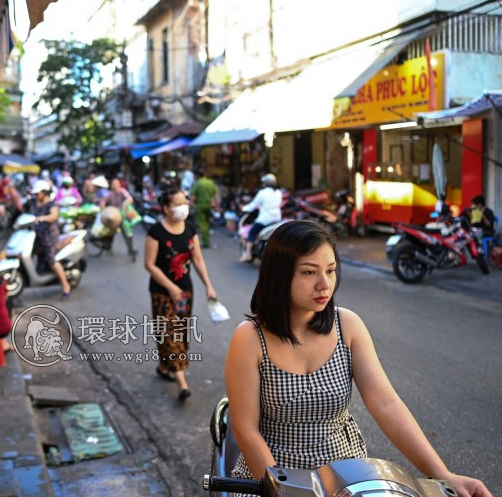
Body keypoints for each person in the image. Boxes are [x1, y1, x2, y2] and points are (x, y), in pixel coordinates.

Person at [223, 220, 490, 496]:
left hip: (346, 475)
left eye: (330, 270)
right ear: (279, 275)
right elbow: (245, 429)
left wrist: (443, 475)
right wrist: (280, 489)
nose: (324, 284)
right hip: (272, 473)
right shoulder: (250, 338)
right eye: (308, 272)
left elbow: (386, 403)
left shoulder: (347, 326)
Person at [144, 188, 218, 401]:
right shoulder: (155, 232)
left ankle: (163, 366)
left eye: (184, 202)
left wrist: (208, 285)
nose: (183, 206)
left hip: (186, 290)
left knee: (182, 334)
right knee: (169, 334)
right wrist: (170, 287)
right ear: (166, 208)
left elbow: (197, 260)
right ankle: (181, 383)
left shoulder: (190, 229)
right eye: (177, 203)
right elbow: (149, 265)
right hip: (162, 292)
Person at [32, 180, 72, 300]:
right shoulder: (36, 204)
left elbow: (53, 216)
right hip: (37, 236)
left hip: (50, 237)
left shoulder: (52, 205)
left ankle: (66, 286)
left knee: (51, 260)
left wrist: (43, 218)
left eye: (37, 193)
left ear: (44, 193)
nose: (36, 196)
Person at [239, 173, 283, 262]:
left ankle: (248, 254)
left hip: (265, 220)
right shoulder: (279, 192)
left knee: (251, 233)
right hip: (277, 219)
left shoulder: (262, 193)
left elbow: (253, 205)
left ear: (266, 183)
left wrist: (244, 208)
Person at [103, 177, 138, 261]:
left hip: (122, 217)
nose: (115, 186)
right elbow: (103, 203)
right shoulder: (109, 194)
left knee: (127, 233)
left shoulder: (123, 192)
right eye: (113, 184)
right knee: (110, 233)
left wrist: (125, 203)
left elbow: (130, 199)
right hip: (112, 216)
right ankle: (109, 247)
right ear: (111, 186)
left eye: (116, 184)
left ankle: (131, 250)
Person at [189, 169, 219, 248]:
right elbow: (216, 196)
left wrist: (190, 206)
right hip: (209, 205)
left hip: (200, 205)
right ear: (205, 174)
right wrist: (216, 206)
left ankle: (206, 243)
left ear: (198, 175)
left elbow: (193, 197)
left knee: (202, 224)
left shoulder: (197, 184)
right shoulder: (210, 183)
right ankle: (207, 241)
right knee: (207, 223)